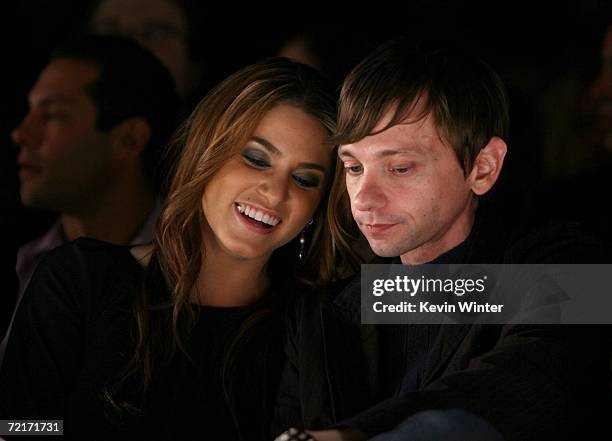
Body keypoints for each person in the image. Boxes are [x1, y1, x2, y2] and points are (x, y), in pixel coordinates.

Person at [273, 36, 610, 441]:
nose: (363, 198)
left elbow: (534, 377)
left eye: (399, 168)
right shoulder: (324, 309)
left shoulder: (568, 263)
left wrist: (352, 435)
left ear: (483, 168)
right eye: (353, 167)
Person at [0, 56, 340, 440]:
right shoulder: (77, 278)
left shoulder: (316, 324)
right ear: (206, 153)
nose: (277, 192)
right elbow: (18, 426)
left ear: (318, 207)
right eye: (256, 159)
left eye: (305, 179)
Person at [0, 34, 181, 366]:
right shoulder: (22, 265)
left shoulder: (191, 267)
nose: (22, 133)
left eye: (52, 115)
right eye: (30, 112)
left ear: (129, 138)